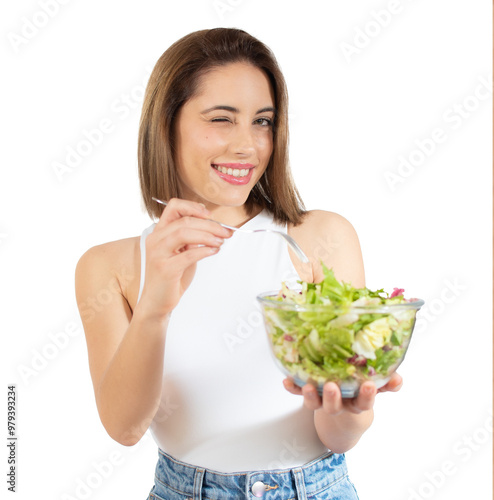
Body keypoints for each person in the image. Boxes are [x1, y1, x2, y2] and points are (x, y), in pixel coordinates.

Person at [75, 27, 402, 500]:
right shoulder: (109, 267)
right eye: (222, 119)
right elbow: (124, 429)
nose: (248, 146)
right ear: (167, 123)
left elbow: (337, 435)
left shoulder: (320, 239)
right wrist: (155, 306)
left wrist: (349, 408)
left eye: (262, 121)